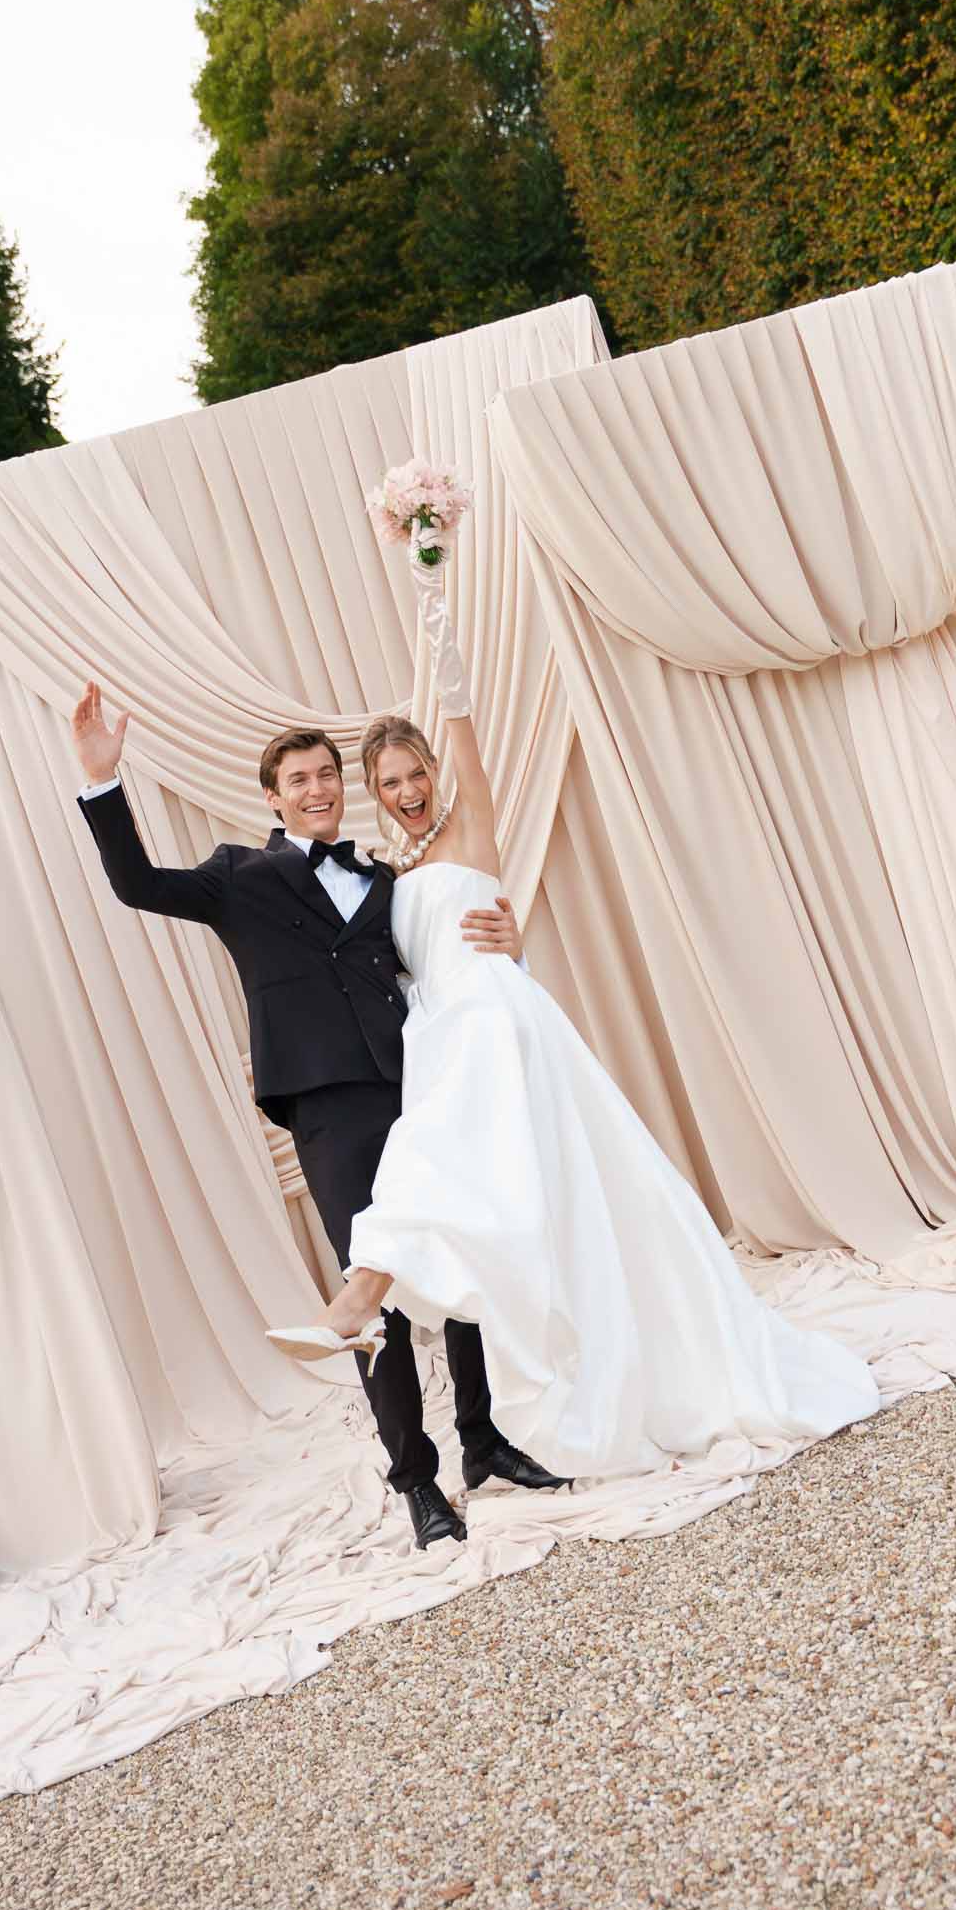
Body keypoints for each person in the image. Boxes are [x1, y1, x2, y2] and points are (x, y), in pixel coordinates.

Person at [271, 553, 882, 1483]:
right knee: (471, 1185)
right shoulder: (382, 877)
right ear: (373, 791)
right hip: (437, 1029)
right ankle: (412, 1327)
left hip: (491, 1019)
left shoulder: (472, 826)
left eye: (415, 772)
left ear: (432, 769)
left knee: (428, 1161)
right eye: (389, 781)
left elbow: (465, 730)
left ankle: (358, 1298)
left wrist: (432, 586)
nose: (406, 790)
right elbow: (385, 962)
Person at [70, 688, 568, 1550]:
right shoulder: (239, 877)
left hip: (417, 1086)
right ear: (272, 796)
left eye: (326, 776)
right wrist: (101, 782)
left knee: (455, 1259)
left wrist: (505, 936)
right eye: (297, 780)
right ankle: (417, 1481)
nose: (316, 789)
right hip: (327, 1105)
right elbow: (135, 884)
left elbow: (445, 958)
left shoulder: (385, 879)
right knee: (372, 1296)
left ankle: (483, 1444)